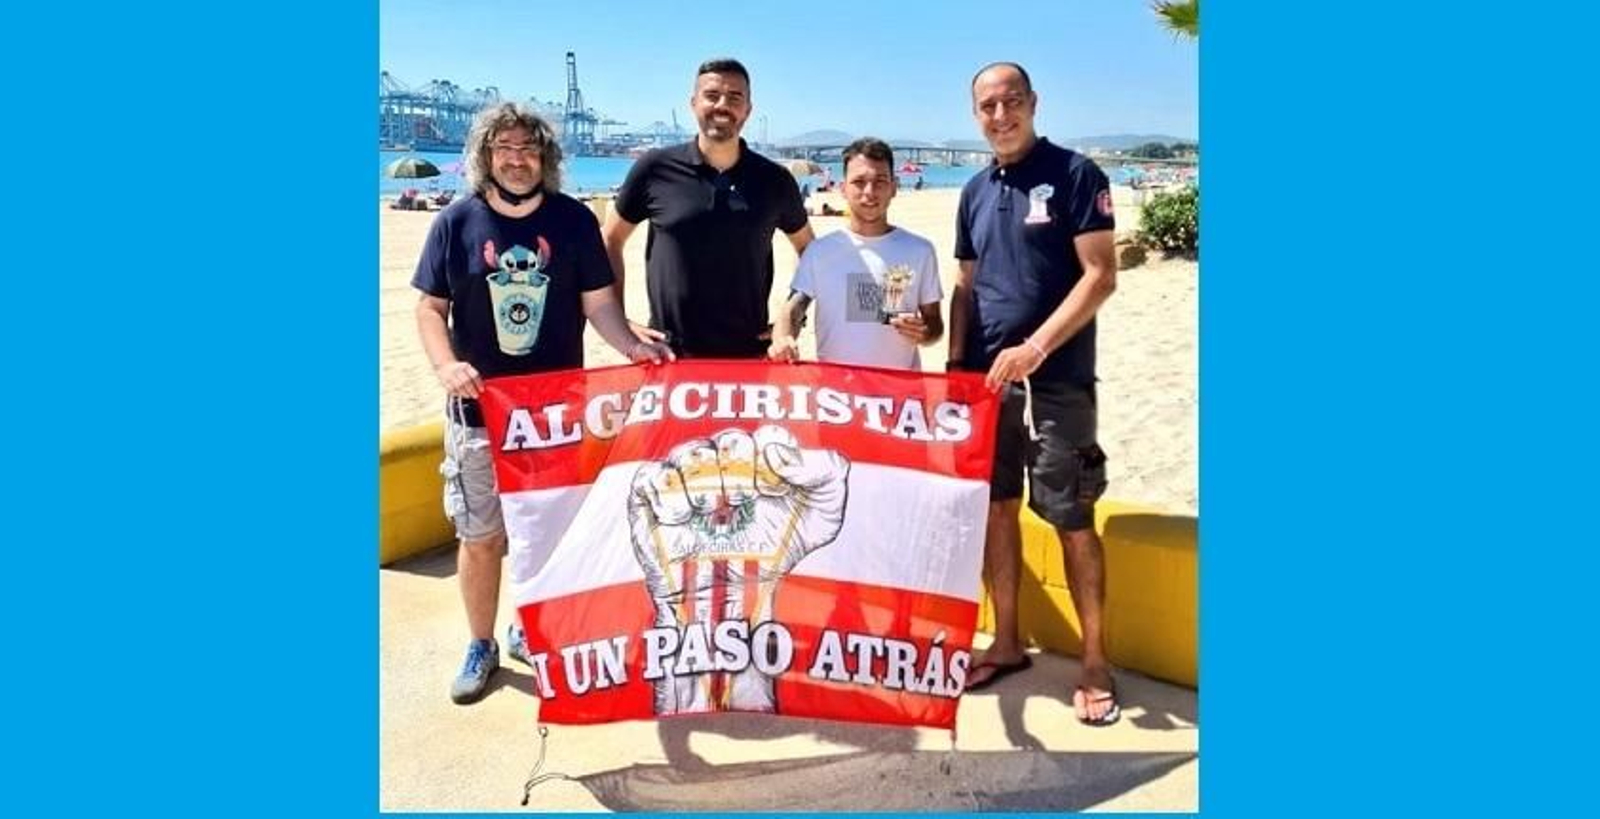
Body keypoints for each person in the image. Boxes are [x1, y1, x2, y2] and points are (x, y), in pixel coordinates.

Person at [412, 102, 672, 705]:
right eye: (505, 147)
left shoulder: (574, 221)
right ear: (486, 156)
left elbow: (598, 305)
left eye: (529, 148)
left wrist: (632, 345)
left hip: (555, 417)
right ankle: (481, 643)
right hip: (479, 416)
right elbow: (429, 308)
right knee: (481, 538)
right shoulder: (455, 223)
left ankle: (529, 626)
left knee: (550, 531)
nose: (518, 158)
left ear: (546, 157)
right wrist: (445, 364)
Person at [949, 62, 1121, 726]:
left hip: (1059, 380)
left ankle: (1095, 660)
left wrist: (1036, 347)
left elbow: (1100, 275)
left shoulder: (1077, 174)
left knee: (1071, 518)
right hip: (989, 385)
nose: (1000, 115)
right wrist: (960, 368)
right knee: (998, 510)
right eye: (987, 106)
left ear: (1033, 103)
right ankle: (1009, 640)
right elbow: (967, 286)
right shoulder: (970, 191)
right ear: (976, 115)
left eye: (1010, 101)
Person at [603, 58, 814, 358]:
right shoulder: (654, 168)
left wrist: (791, 316)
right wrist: (620, 323)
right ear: (693, 103)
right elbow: (611, 239)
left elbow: (810, 251)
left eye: (735, 97)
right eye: (712, 95)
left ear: (748, 110)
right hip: (667, 355)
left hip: (750, 357)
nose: (722, 105)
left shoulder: (775, 180)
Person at [769, 137, 942, 369]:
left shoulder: (920, 251)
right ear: (843, 189)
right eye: (859, 182)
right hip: (838, 395)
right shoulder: (820, 252)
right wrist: (782, 339)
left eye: (880, 181)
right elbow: (794, 307)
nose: (869, 192)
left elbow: (935, 325)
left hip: (900, 394)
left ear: (894, 187)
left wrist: (925, 332)